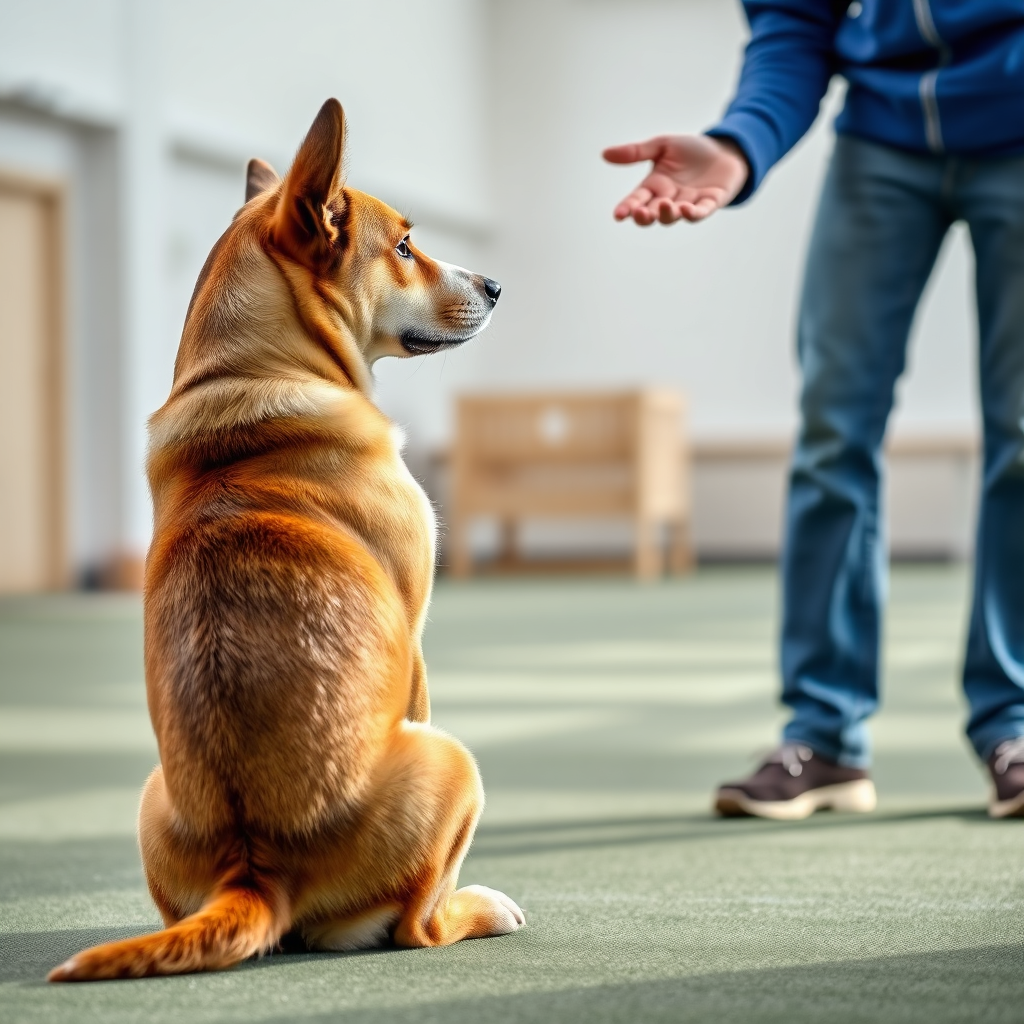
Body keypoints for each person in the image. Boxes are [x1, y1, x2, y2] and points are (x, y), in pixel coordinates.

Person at [604, 0, 1024, 820]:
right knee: (835, 430)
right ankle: (824, 734)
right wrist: (738, 143)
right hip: (881, 142)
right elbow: (794, 24)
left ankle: (1015, 721)